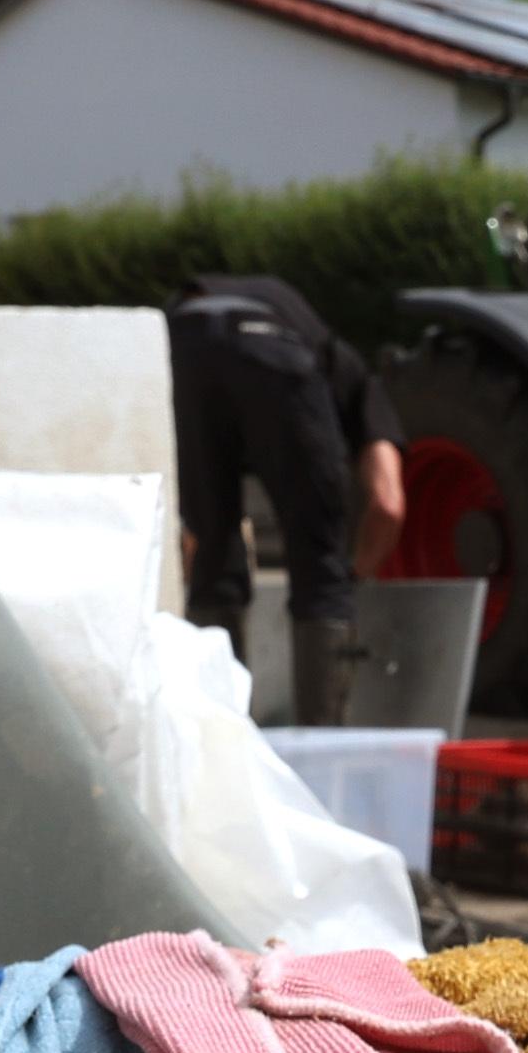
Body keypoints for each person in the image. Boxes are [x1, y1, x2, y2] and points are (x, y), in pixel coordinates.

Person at [165, 270, 406, 728]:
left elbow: (193, 539)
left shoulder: (300, 324)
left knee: (214, 560)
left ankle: (219, 741)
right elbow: (388, 504)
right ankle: (323, 750)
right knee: (320, 569)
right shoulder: (359, 383)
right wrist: (348, 581)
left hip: (181, 339)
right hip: (270, 345)